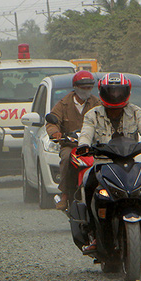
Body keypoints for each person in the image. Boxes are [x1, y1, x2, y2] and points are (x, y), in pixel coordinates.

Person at [77, 72, 141, 253]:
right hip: (102, 165)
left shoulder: (136, 112)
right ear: (103, 92)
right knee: (88, 185)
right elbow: (86, 133)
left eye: (119, 91)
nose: (115, 95)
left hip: (129, 164)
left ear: (127, 92)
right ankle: (94, 234)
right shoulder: (92, 114)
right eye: (111, 91)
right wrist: (84, 146)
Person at [45, 71, 101, 211]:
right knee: (65, 157)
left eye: (89, 87)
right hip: (71, 145)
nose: (86, 90)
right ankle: (64, 195)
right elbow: (52, 122)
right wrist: (55, 133)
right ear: (75, 87)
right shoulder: (63, 104)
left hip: (93, 146)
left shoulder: (97, 103)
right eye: (83, 87)